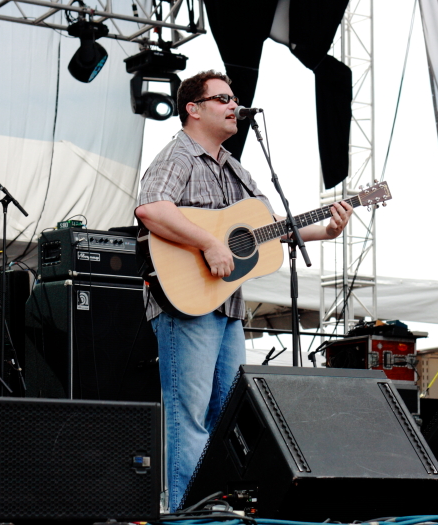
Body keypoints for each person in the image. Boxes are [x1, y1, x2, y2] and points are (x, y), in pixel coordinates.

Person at [135, 70, 352, 511]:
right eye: (223, 99)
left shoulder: (236, 169)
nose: (234, 105)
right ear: (193, 109)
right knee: (188, 414)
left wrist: (326, 231)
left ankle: (216, 507)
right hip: (185, 303)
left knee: (226, 417)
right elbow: (151, 209)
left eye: (234, 99)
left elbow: (269, 229)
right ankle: (185, 514)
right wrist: (209, 242)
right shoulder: (178, 155)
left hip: (228, 306)